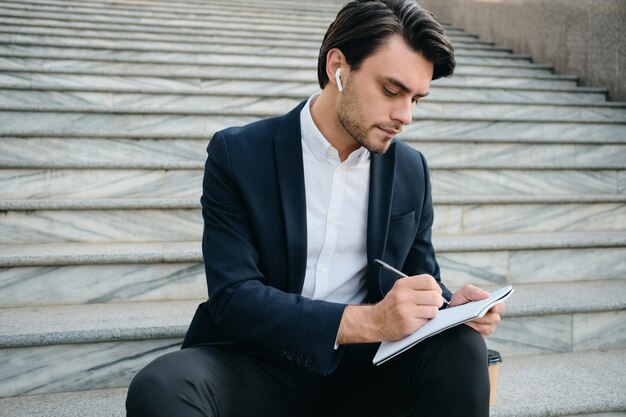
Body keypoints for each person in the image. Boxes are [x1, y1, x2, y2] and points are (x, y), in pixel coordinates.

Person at [126, 0, 505, 415]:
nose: (405, 116)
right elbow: (234, 297)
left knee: (462, 347)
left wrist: (452, 309)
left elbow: (416, 277)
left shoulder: (410, 170)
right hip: (254, 363)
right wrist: (371, 321)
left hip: (362, 374)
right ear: (337, 66)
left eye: (417, 98)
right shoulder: (238, 153)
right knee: (159, 386)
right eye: (392, 90)